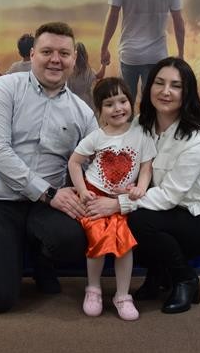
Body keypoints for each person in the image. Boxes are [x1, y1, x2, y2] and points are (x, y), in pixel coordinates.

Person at [0, 22, 98, 314]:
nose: (55, 60)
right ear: (32, 54)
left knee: (72, 239)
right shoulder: (5, 88)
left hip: (45, 207)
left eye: (64, 53)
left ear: (74, 59)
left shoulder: (83, 113)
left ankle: (41, 259)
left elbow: (92, 167)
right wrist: (48, 193)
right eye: (47, 52)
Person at [86, 57, 200, 314]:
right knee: (121, 222)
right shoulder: (140, 124)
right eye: (159, 83)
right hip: (158, 211)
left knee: (138, 221)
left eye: (175, 85)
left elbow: (169, 196)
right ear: (149, 87)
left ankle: (185, 278)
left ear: (187, 92)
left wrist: (116, 204)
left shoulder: (198, 137)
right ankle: (158, 274)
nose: (165, 91)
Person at [68, 77, 155, 321]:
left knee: (123, 243)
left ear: (131, 102)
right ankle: (93, 289)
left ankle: (122, 295)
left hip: (122, 199)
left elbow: (146, 166)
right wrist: (82, 191)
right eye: (109, 104)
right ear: (100, 110)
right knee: (97, 236)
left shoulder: (141, 133)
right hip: (95, 196)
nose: (117, 108)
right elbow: (74, 162)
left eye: (122, 101)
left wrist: (141, 187)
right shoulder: (97, 137)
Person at [100, 0, 185, 105]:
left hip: (129, 54)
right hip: (157, 56)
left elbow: (113, 17)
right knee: (152, 105)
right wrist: (181, 54)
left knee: (125, 103)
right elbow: (178, 22)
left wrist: (104, 47)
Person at [67, 42, 106, 110]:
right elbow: (99, 76)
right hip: (87, 102)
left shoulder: (69, 72)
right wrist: (104, 64)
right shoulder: (88, 71)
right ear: (85, 55)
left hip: (73, 102)